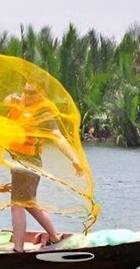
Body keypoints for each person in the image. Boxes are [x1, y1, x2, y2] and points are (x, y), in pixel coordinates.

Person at [5, 82, 83, 252]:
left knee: (17, 204)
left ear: (42, 94)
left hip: (28, 162)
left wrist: (74, 159)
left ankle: (18, 249)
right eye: (25, 91)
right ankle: (54, 238)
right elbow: (2, 104)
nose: (28, 95)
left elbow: (58, 137)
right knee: (29, 203)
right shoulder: (16, 103)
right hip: (17, 161)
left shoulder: (44, 113)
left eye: (32, 92)